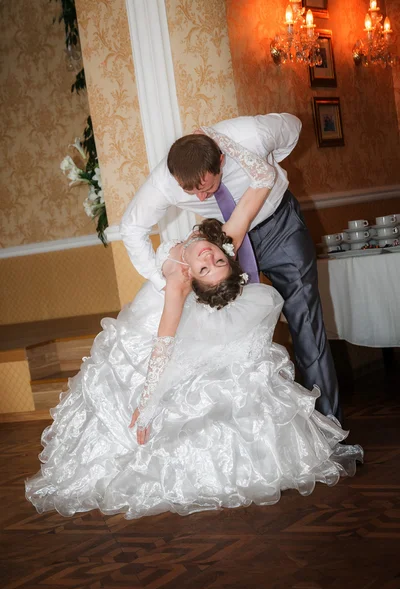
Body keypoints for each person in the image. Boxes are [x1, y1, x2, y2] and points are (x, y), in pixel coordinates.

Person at [25, 176, 362, 520]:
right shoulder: (221, 243)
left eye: (207, 266)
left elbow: (165, 339)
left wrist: (148, 400)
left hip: (156, 328)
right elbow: (256, 191)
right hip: (143, 322)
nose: (211, 258)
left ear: (193, 278)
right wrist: (225, 148)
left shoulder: (179, 279)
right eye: (218, 262)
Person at [120, 114, 342, 423]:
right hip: (222, 245)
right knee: (240, 347)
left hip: (278, 227)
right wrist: (169, 279)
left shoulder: (251, 133)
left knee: (306, 323)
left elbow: (294, 128)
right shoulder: (168, 189)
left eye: (206, 187)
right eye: (190, 192)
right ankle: (265, 426)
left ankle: (327, 425)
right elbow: (131, 228)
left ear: (221, 161)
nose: (200, 198)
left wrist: (261, 155)